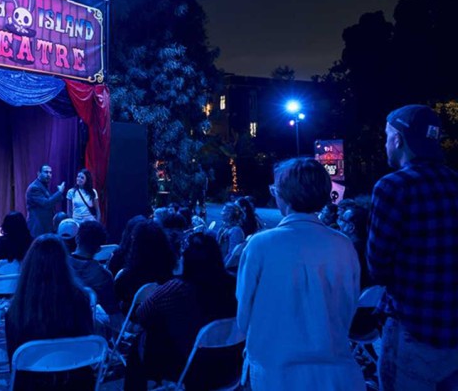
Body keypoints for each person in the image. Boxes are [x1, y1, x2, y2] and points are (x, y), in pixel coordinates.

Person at [236, 158, 364, 390]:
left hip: (275, 372)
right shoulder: (343, 245)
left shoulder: (260, 245)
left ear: (283, 195)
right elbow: (348, 306)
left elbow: (243, 315)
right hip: (337, 372)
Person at [367, 104, 458, 391]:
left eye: (386, 136)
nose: (385, 143)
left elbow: (378, 267)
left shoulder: (393, 187)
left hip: (413, 328)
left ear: (398, 139)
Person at [125, 232, 240, 391]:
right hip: (231, 365)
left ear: (187, 261)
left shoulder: (177, 289)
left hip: (193, 370)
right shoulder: (234, 284)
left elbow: (142, 314)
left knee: (142, 340)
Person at [6, 234, 94, 390]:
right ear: (64, 263)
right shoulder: (81, 299)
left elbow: (14, 361)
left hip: (33, 385)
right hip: (76, 382)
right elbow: (86, 341)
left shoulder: (17, 308)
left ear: (30, 265)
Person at [69, 221, 122, 330]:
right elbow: (113, 313)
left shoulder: (58, 265)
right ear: (98, 249)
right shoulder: (104, 276)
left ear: (77, 239)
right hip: (86, 331)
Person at [114, 221, 177, 313]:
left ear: (135, 244)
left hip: (135, 320)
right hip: (165, 317)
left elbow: (117, 299)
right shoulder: (172, 272)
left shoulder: (125, 277)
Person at [26, 164, 65, 238]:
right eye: (46, 172)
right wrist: (59, 192)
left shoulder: (43, 185)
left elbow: (50, 201)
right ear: (38, 173)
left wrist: (59, 195)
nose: (49, 175)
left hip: (45, 225)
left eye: (50, 173)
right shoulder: (34, 187)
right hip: (38, 226)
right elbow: (46, 203)